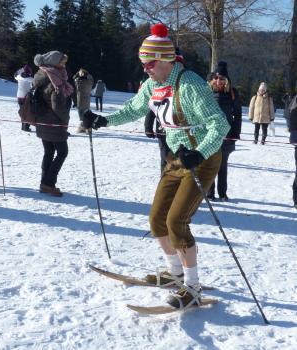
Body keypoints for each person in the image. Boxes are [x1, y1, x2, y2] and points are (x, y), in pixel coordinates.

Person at [82, 23, 229, 309]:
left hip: (202, 158)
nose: (145, 69)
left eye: (150, 63)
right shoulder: (153, 84)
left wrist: (199, 153)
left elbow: (219, 124)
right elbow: (133, 109)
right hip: (176, 157)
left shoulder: (190, 85)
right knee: (157, 219)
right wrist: (102, 120)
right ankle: (175, 274)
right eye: (143, 63)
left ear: (166, 60)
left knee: (177, 222)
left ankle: (192, 287)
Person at [33, 51, 73, 197]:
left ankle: (45, 183)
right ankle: (48, 184)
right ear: (54, 63)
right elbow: (58, 106)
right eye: (62, 63)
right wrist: (64, 122)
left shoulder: (42, 75)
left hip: (43, 122)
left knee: (49, 152)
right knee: (62, 152)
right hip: (54, 123)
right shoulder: (54, 79)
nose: (64, 65)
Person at [207, 61, 242, 201]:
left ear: (226, 80)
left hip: (226, 134)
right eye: (216, 78)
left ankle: (222, 193)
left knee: (222, 165)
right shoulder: (207, 91)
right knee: (210, 164)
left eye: (221, 78)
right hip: (209, 133)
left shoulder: (232, 93)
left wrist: (235, 133)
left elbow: (238, 114)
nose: (218, 81)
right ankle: (210, 193)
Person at [73, 68, 94, 133]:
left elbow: (73, 78)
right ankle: (87, 129)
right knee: (86, 116)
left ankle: (82, 129)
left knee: (81, 117)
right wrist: (87, 74)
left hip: (79, 101)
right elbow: (92, 79)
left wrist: (77, 74)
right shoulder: (89, 82)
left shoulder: (78, 82)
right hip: (87, 101)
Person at [15, 64, 33, 131]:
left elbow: (15, 74)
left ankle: (23, 126)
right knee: (28, 112)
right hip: (26, 97)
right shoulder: (30, 79)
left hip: (19, 96)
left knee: (22, 111)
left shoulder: (19, 77)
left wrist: (22, 69)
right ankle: (26, 127)